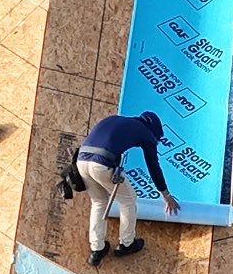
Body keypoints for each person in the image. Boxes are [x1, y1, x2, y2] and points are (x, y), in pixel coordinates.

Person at [74, 110, 179, 260]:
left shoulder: (118, 120)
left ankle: (97, 249)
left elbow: (102, 141)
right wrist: (165, 194)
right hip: (101, 164)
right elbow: (153, 165)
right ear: (153, 130)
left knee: (99, 202)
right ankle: (127, 244)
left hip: (81, 162)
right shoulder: (146, 133)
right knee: (128, 200)